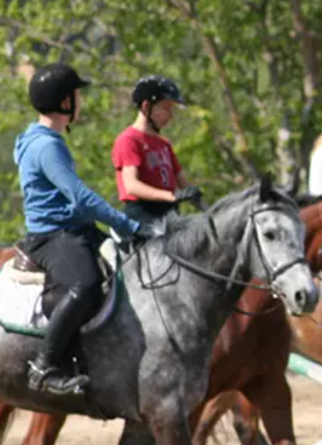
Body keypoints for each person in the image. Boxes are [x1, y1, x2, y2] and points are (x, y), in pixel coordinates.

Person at [17, 63, 145, 395]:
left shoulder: (46, 139)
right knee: (85, 285)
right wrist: (125, 222)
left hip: (74, 228)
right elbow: (81, 198)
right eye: (77, 95)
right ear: (63, 102)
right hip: (53, 236)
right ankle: (43, 366)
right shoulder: (47, 146)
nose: (80, 102)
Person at [112, 75, 201, 237]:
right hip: (142, 215)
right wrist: (171, 196)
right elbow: (131, 185)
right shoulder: (128, 140)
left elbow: (183, 183)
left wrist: (203, 205)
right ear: (146, 107)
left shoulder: (164, 145)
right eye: (166, 108)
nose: (171, 115)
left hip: (169, 214)